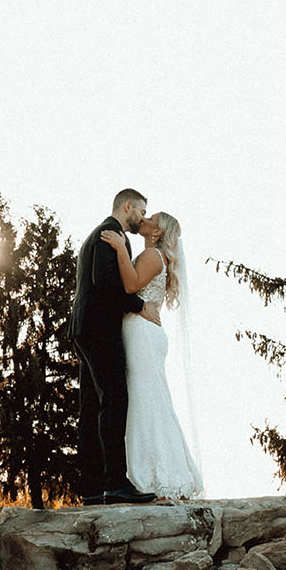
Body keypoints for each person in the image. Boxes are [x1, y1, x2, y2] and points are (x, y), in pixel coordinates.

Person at [99, 210, 204, 500]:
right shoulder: (155, 257)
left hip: (142, 334)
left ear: (157, 233)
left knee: (146, 401)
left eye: (150, 220)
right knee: (150, 400)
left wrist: (120, 249)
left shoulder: (152, 256)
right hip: (145, 332)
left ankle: (150, 476)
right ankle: (157, 472)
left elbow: (131, 285)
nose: (143, 222)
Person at [70, 189, 160, 505]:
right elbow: (105, 284)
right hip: (99, 329)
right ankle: (115, 484)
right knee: (114, 399)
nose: (142, 217)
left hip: (84, 328)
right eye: (141, 210)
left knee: (92, 407)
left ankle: (93, 487)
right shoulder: (111, 234)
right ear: (127, 206)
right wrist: (138, 305)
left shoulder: (99, 234)